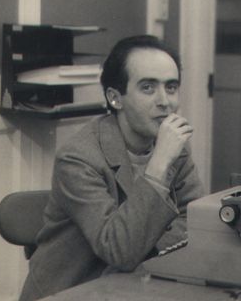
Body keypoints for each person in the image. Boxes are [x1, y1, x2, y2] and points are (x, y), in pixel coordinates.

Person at [19, 35, 205, 301]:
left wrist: (146, 255)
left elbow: (194, 219)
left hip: (134, 286)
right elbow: (119, 249)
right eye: (148, 88)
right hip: (70, 292)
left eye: (171, 87)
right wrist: (159, 164)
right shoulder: (77, 158)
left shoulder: (175, 147)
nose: (165, 101)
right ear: (115, 98)